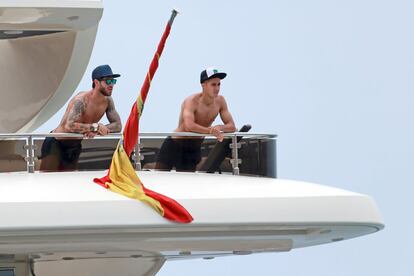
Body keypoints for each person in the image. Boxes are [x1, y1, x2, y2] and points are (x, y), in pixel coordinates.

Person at [40, 64, 122, 171]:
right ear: (96, 82)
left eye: (113, 81)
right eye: (108, 81)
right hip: (56, 143)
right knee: (48, 180)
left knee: (70, 182)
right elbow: (69, 125)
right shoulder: (81, 100)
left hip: (75, 145)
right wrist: (95, 127)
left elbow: (118, 125)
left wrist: (97, 129)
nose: (111, 85)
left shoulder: (108, 101)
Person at [155, 67, 236, 172]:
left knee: (188, 183)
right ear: (203, 85)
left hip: (193, 149)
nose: (217, 88)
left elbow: (232, 126)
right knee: (159, 177)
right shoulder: (191, 101)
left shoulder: (220, 101)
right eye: (213, 84)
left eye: (218, 84)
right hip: (175, 145)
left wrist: (218, 127)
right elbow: (189, 126)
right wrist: (210, 131)